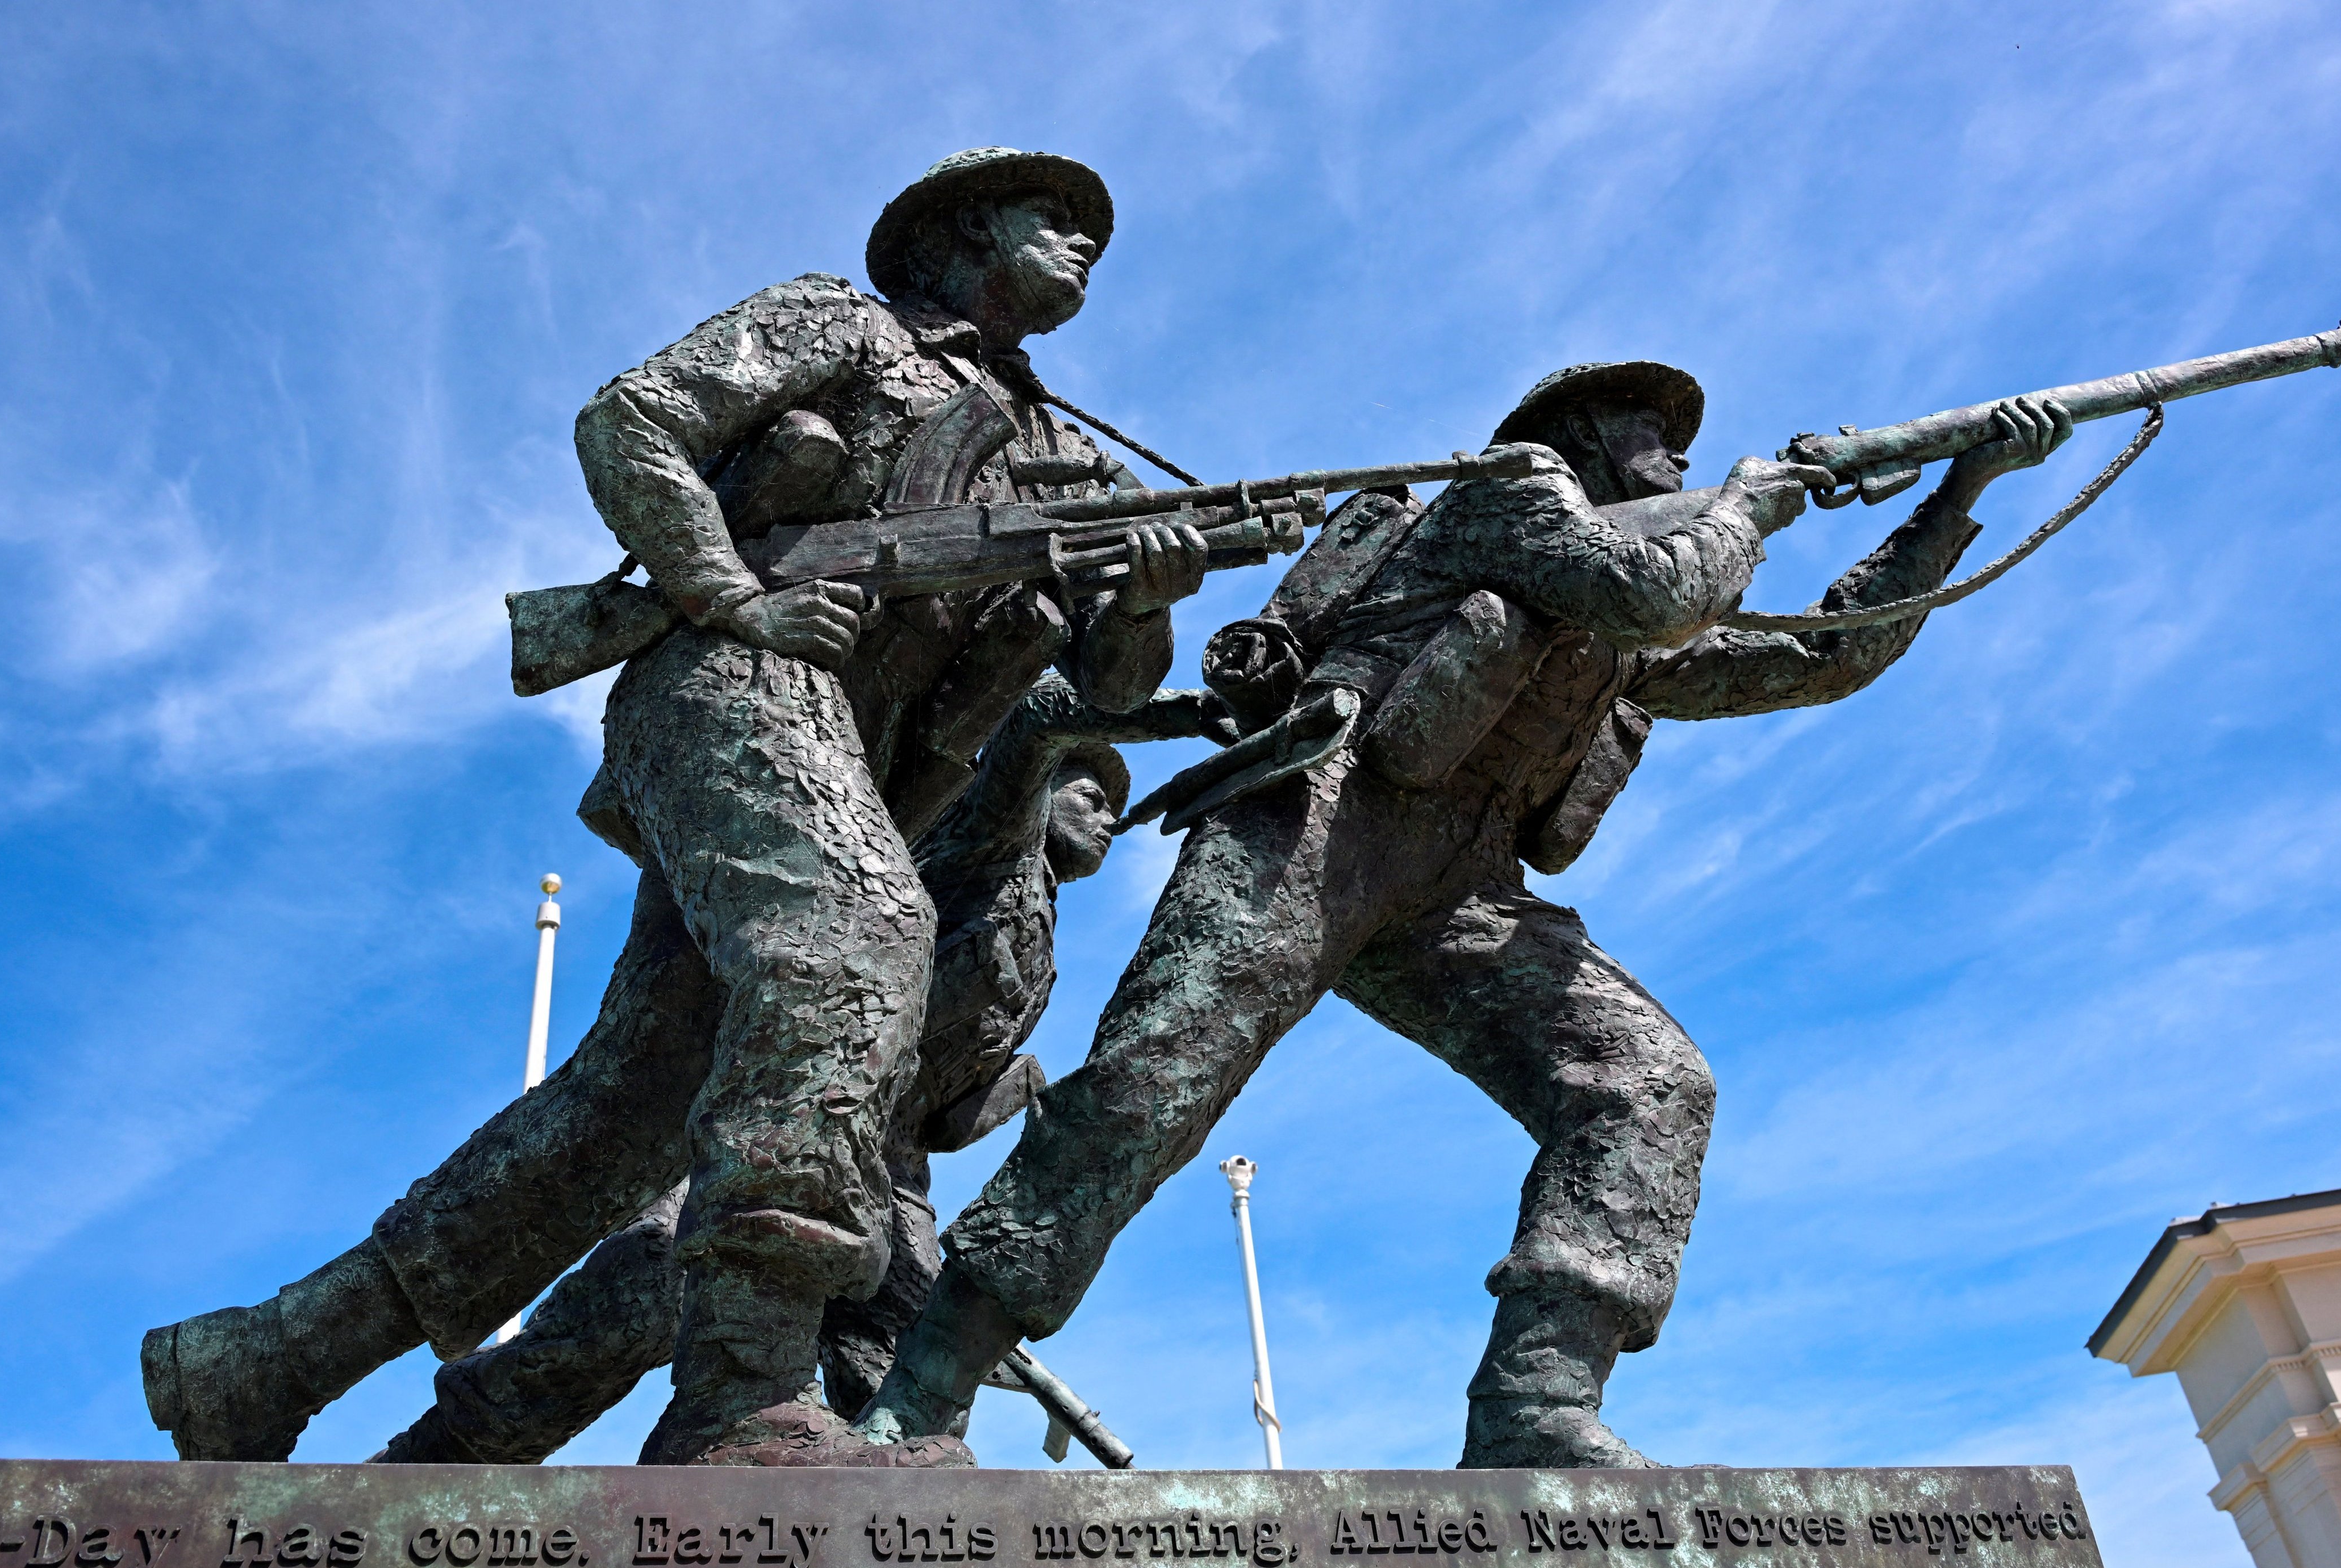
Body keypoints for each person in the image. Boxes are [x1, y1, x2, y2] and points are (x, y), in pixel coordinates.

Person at [141, 147, 1215, 1467]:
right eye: (1056, 216)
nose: (1086, 240)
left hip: (859, 763)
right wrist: (728, 591)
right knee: (859, 947)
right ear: (962, 230)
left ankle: (264, 1363)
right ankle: (741, 1392)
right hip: (734, 681)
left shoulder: (1061, 449)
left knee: (623, 1120)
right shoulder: (844, 325)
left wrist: (1152, 595)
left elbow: (1102, 684)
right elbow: (633, 419)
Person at [851, 362, 2069, 1470]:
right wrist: (1752, 502)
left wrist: (1952, 495)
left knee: (1646, 1084)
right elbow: (1649, 589)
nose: (1685, 456)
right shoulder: (1513, 492)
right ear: (1587, 432)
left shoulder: (1641, 602)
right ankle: (924, 1392)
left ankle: (1536, 1406)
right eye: (1659, 432)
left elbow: (1822, 655)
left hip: (1465, 880)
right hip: (1320, 813)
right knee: (1152, 1083)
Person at [372, 681, 1200, 1465]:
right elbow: (1031, 723)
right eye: (1095, 798)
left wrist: (1019, 1084)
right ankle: (428, 1463)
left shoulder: (1042, 944)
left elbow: (940, 1121)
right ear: (1043, 789)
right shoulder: (991, 844)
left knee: (915, 1357)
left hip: (890, 1170)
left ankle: (864, 1531)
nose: (1112, 820)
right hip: (801, 1121)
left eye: (1117, 809)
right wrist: (1188, 711)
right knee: (627, 1309)